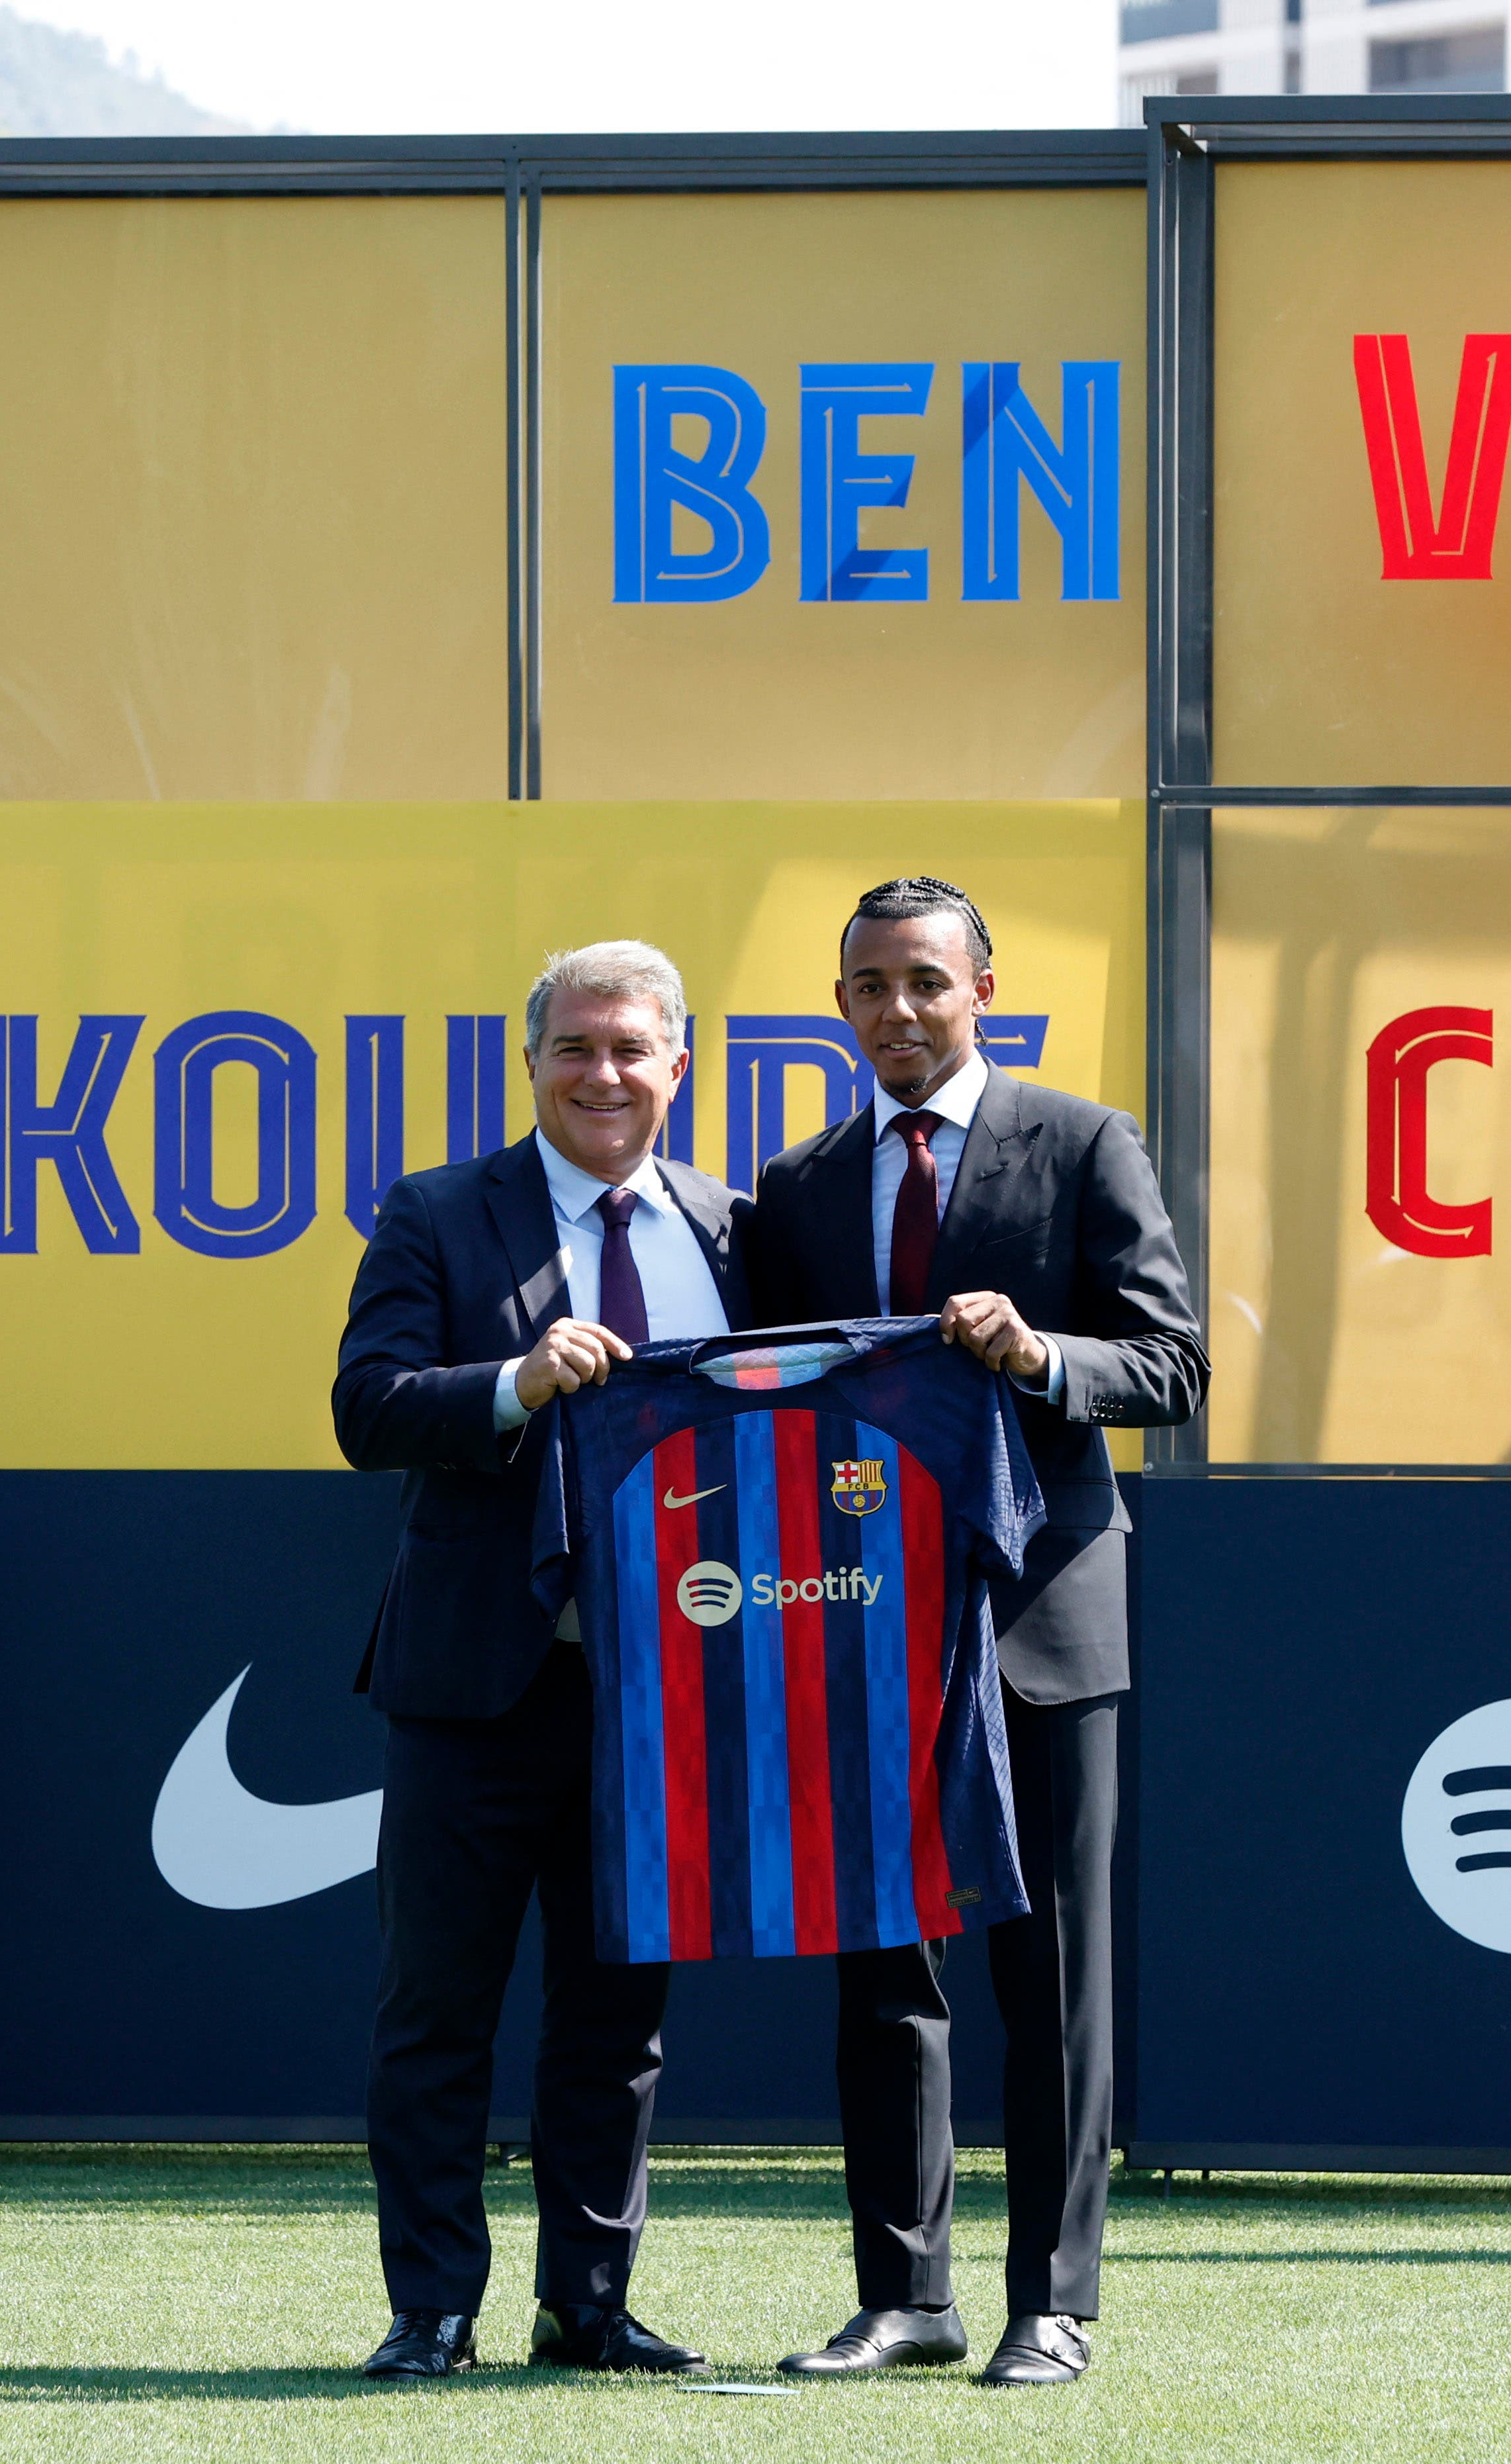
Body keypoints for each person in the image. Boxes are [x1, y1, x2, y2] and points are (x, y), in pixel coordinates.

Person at [741, 876, 1206, 2388]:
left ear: (982, 991)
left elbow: (1169, 1364)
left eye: (925, 982)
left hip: (1040, 1613)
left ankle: (1052, 2303)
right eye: (869, 986)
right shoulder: (796, 1183)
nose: (898, 1011)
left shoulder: (1083, 1140)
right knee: (885, 1968)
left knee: (1049, 1970)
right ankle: (905, 2297)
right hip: (859, 1615)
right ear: (839, 1003)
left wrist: (1036, 1353)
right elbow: (765, 1397)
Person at [332, 940, 749, 2381]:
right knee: (435, 2010)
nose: (603, 1073)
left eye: (632, 1048)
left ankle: (588, 2304)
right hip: (476, 1684)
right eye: (574, 1046)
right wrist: (514, 1382)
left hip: (665, 1691)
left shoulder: (735, 1229)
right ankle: (431, 2306)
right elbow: (368, 1407)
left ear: (679, 1065)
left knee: (617, 2018)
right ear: (530, 1064)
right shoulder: (439, 1210)